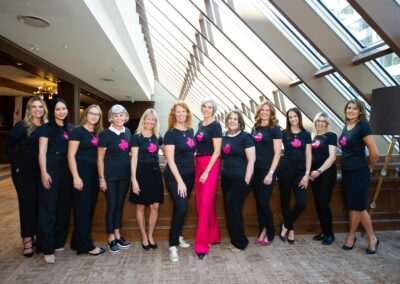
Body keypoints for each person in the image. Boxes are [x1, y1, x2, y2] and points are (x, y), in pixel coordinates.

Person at [5, 96, 48, 257]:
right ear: (29, 109)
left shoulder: (46, 126)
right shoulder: (22, 126)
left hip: (41, 172)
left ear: (44, 109)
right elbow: (8, 146)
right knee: (27, 204)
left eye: (40, 106)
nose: (37, 109)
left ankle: (36, 234)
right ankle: (27, 239)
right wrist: (16, 165)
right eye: (34, 107)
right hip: (24, 172)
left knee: (39, 205)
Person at [339, 99, 379, 254]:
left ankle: (371, 237)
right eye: (349, 107)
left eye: (354, 108)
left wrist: (369, 167)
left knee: (360, 208)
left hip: (359, 172)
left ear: (360, 111)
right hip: (347, 171)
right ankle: (352, 236)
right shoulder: (346, 125)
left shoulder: (363, 126)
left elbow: (375, 153)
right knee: (352, 206)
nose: (350, 110)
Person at [37, 97, 73, 264]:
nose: (61, 112)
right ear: (53, 112)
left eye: (64, 109)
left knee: (63, 206)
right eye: (58, 109)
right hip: (51, 167)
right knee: (48, 208)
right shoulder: (46, 128)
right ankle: (47, 248)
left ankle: (59, 242)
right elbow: (42, 151)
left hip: (66, 168)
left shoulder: (70, 128)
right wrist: (44, 172)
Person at [67, 104, 105, 255]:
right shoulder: (77, 131)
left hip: (93, 175)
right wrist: (76, 177)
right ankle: (87, 246)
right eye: (91, 113)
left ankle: (77, 242)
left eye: (97, 114)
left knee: (88, 210)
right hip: (81, 174)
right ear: (86, 114)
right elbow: (70, 156)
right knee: (82, 210)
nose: (94, 116)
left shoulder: (97, 133)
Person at [164, 101, 196, 262]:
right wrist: (180, 181)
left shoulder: (190, 131)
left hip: (190, 176)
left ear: (187, 113)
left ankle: (177, 236)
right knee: (182, 207)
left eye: (183, 111)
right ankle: (172, 245)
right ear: (173, 114)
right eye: (178, 112)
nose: (181, 114)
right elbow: (170, 160)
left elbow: (191, 154)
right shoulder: (170, 133)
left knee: (180, 208)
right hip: (175, 177)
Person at [98, 104, 132, 254]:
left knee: (119, 205)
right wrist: (101, 178)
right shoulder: (105, 134)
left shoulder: (128, 132)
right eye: (116, 115)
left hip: (124, 175)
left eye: (121, 115)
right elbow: (99, 158)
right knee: (111, 205)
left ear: (125, 117)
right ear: (111, 117)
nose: (119, 118)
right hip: (110, 176)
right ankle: (111, 237)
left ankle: (118, 234)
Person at [129, 109, 164, 251]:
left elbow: (168, 151)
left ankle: (150, 235)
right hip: (141, 173)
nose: (150, 122)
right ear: (143, 119)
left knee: (155, 206)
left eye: (153, 120)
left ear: (155, 122)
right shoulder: (136, 137)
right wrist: (134, 180)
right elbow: (134, 159)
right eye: (147, 119)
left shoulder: (158, 137)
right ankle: (144, 236)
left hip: (155, 173)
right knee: (141, 206)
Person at [221, 110, 255, 252]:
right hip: (226, 178)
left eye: (235, 119)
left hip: (240, 179)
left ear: (240, 122)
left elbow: (251, 159)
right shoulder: (224, 137)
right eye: (230, 118)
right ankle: (235, 241)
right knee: (230, 210)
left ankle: (241, 243)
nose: (232, 121)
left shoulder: (245, 137)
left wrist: (247, 179)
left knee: (233, 209)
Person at [278, 107, 311, 244]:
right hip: (285, 169)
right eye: (290, 117)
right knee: (285, 201)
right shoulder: (283, 133)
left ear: (299, 117)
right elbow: (274, 150)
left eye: (294, 116)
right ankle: (290, 229)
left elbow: (309, 155)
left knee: (301, 202)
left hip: (300, 172)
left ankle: (285, 225)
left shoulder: (306, 134)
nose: (292, 119)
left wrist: (307, 174)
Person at [194, 98, 222, 260]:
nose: (206, 109)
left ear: (214, 110)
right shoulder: (200, 124)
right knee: (203, 202)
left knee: (204, 203)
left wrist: (207, 171)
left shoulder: (216, 126)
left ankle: (202, 245)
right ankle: (213, 235)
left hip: (209, 165)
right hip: (198, 163)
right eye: (204, 106)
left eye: (209, 107)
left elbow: (217, 151)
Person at [251, 101, 282, 246]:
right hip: (255, 170)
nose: (264, 112)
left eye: (267, 110)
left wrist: (270, 173)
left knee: (264, 202)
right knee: (258, 203)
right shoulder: (255, 128)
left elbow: (277, 154)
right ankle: (261, 230)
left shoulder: (275, 129)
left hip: (267, 170)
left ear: (271, 113)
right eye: (262, 110)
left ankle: (270, 231)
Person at [309, 112, 337, 245]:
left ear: (327, 123)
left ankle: (330, 234)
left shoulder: (331, 136)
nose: (320, 123)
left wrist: (319, 171)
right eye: (318, 121)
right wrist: (310, 173)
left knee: (323, 202)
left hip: (326, 174)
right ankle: (324, 231)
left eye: (323, 121)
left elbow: (332, 157)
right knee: (317, 203)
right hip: (314, 175)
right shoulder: (312, 137)